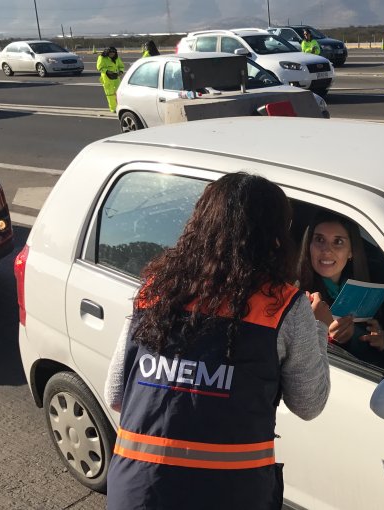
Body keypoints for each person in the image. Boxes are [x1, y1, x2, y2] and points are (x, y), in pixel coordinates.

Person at [103, 173, 331, 510]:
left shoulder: (156, 291)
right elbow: (309, 404)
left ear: (200, 223)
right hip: (230, 495)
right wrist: (319, 329)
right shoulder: (283, 306)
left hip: (139, 492)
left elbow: (116, 395)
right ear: (276, 236)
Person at [297, 213, 384, 369]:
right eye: (319, 239)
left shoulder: (369, 287)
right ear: (309, 245)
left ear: (351, 251)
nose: (326, 250)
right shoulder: (297, 296)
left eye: (338, 242)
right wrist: (322, 331)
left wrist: (382, 343)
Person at [96, 46, 124, 112]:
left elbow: (121, 66)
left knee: (118, 93)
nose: (112, 54)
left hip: (116, 77)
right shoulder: (102, 58)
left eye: (113, 53)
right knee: (110, 94)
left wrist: (121, 71)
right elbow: (99, 67)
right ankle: (113, 108)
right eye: (111, 53)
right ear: (107, 52)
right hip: (107, 78)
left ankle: (119, 107)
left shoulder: (117, 58)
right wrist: (107, 71)